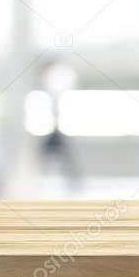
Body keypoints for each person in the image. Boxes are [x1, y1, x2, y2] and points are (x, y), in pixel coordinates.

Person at [39, 58, 82, 192]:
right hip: (58, 125)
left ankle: (73, 177)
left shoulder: (55, 79)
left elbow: (57, 103)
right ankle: (73, 177)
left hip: (59, 125)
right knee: (60, 152)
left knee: (56, 151)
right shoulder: (59, 77)